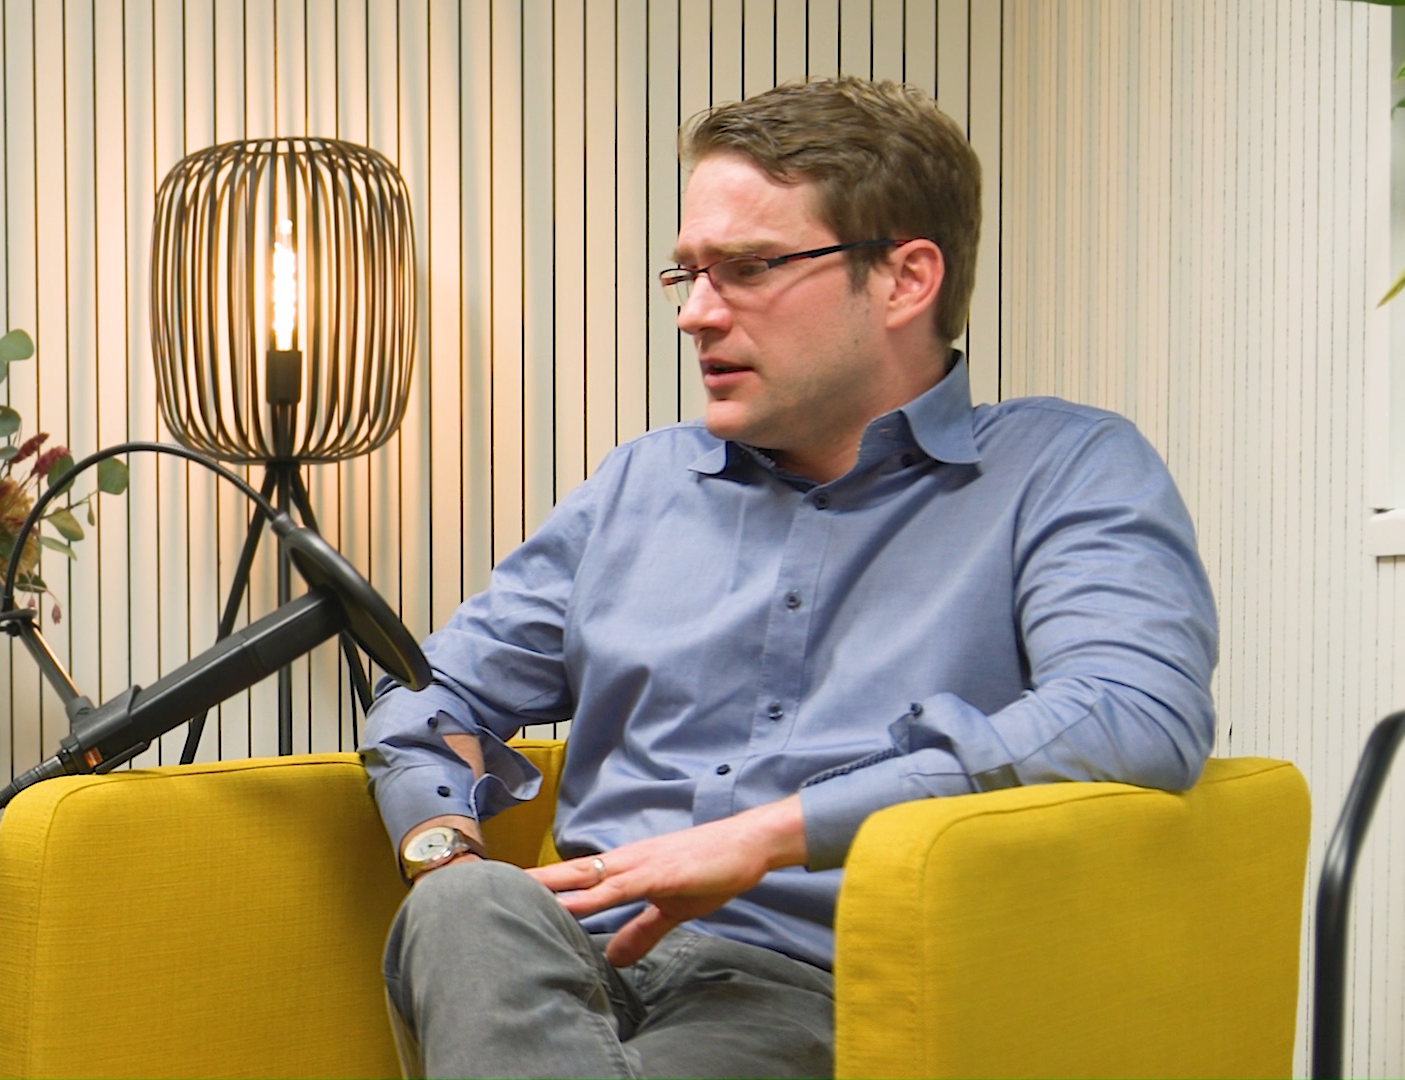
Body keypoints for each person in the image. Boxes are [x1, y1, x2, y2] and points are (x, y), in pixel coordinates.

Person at [360, 75, 1217, 1079]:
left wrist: (768, 837)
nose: (696, 315)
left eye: (749, 269)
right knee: (464, 906)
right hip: (562, 950)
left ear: (905, 279)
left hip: (807, 986)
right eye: (688, 275)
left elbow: (1133, 713)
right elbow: (432, 689)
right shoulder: (639, 485)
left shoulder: (1063, 471)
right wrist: (444, 847)